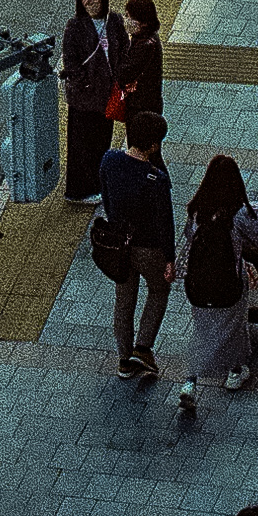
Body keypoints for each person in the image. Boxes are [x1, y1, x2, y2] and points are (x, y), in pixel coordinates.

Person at [180, 156, 258, 401]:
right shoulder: (238, 213)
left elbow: (189, 237)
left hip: (197, 284)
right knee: (234, 328)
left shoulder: (197, 209)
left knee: (202, 331)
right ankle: (235, 371)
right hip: (229, 284)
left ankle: (190, 382)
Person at [100, 105, 174, 384]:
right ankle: (142, 348)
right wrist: (169, 258)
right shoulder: (156, 178)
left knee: (124, 299)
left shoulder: (109, 160)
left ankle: (123, 360)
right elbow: (165, 224)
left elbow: (106, 199)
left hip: (118, 246)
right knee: (158, 289)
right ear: (154, 145)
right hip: (148, 248)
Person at [60, 0, 128, 200]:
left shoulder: (115, 21)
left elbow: (124, 51)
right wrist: (83, 85)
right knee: (81, 146)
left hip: (107, 95)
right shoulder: (75, 27)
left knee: (102, 142)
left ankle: (97, 184)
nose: (90, 2)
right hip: (85, 99)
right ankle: (79, 191)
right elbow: (71, 62)